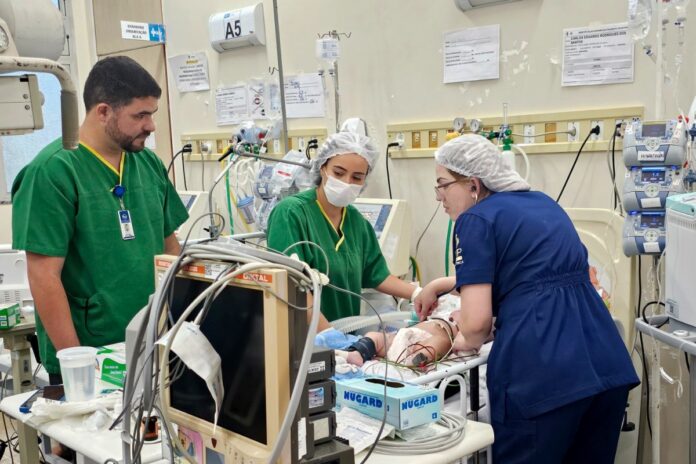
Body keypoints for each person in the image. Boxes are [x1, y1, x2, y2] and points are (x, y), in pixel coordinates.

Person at [415, 135, 639, 463]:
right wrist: (440, 284)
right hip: (605, 366)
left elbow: (476, 327)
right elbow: (529, 274)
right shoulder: (543, 204)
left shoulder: (475, 220)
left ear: (473, 185)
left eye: (442, 185)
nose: (439, 197)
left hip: (543, 378)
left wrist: (458, 338)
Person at [12, 56, 189, 385]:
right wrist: (77, 366)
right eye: (140, 115)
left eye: (152, 114)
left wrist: (184, 327)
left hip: (152, 346)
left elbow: (170, 250)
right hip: (89, 355)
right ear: (104, 111)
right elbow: (44, 276)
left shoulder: (148, 164)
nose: (151, 126)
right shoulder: (53, 172)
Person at [267, 131, 419, 330]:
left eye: (357, 177)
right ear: (322, 167)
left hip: (344, 335)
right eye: (339, 173)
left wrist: (419, 294)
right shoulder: (291, 213)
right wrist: (329, 336)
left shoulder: (357, 222)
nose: (347, 182)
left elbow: (377, 275)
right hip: (303, 338)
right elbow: (292, 286)